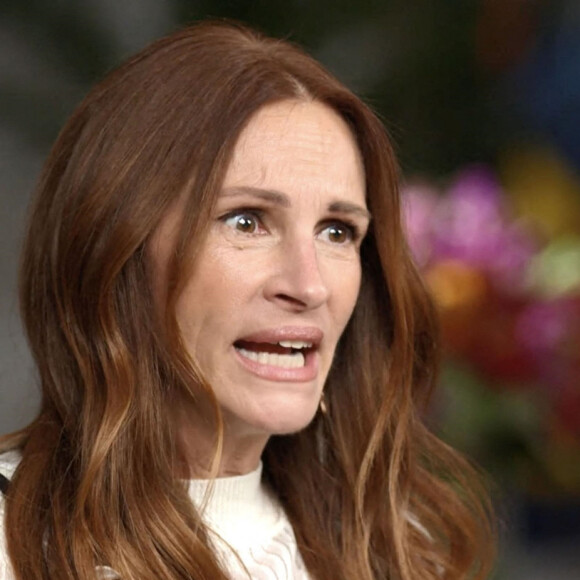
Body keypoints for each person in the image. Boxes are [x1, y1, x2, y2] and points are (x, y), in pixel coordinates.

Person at [0, 21, 495, 580]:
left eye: (337, 231)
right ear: (112, 250)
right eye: (246, 221)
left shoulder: (398, 546)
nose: (309, 286)